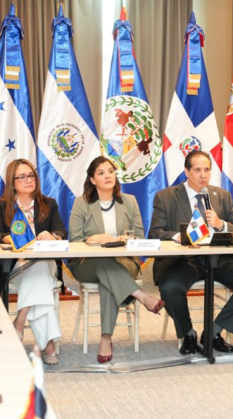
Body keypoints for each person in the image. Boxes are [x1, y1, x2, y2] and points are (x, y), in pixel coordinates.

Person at [149, 150, 233, 355]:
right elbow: (155, 233)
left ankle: (214, 332)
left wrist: (221, 224)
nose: (203, 175)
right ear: (187, 171)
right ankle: (188, 334)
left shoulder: (221, 196)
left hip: (219, 258)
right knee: (170, 287)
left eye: (207, 169)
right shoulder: (166, 197)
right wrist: (179, 236)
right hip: (183, 259)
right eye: (197, 170)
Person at [68, 156, 164, 364]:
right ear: (92, 180)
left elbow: (139, 236)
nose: (108, 176)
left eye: (111, 171)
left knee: (108, 276)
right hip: (87, 263)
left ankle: (105, 338)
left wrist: (127, 239)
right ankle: (141, 296)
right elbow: (74, 241)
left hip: (124, 261)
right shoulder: (81, 203)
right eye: (101, 173)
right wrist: (94, 239)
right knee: (104, 263)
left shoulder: (129, 201)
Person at [0, 159, 65, 365]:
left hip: (44, 263)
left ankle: (19, 321)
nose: (28, 180)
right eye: (22, 177)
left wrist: (53, 236)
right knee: (39, 280)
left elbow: (61, 231)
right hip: (15, 267)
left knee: (38, 268)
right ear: (12, 182)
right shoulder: (1, 206)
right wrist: (11, 239)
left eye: (31, 175)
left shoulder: (48, 203)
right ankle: (48, 346)